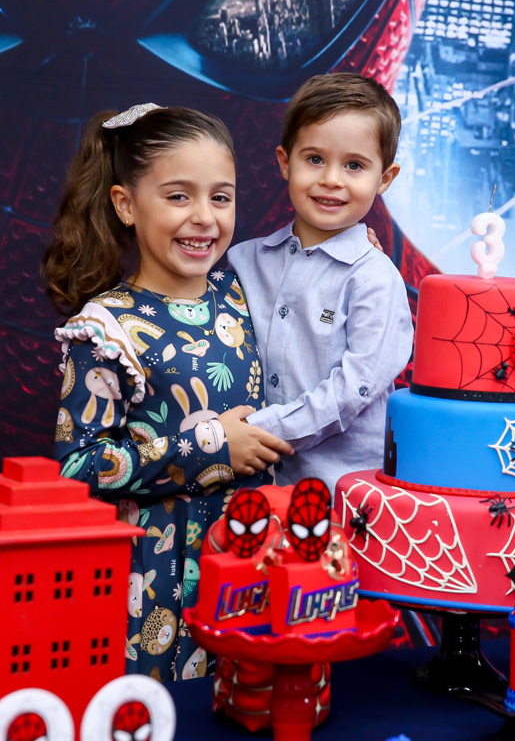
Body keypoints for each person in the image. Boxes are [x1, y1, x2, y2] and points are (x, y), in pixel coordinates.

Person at [43, 104, 293, 681]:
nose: (204, 217)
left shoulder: (243, 293)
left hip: (249, 567)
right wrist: (209, 448)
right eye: (179, 196)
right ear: (126, 205)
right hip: (154, 585)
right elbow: (76, 469)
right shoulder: (105, 329)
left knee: (250, 704)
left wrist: (358, 248)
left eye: (221, 197)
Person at [227, 73, 414, 491]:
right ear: (284, 162)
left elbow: (353, 388)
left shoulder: (374, 278)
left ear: (384, 178)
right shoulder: (243, 261)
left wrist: (257, 432)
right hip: (246, 490)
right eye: (314, 159)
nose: (331, 178)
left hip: (342, 497)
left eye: (354, 165)